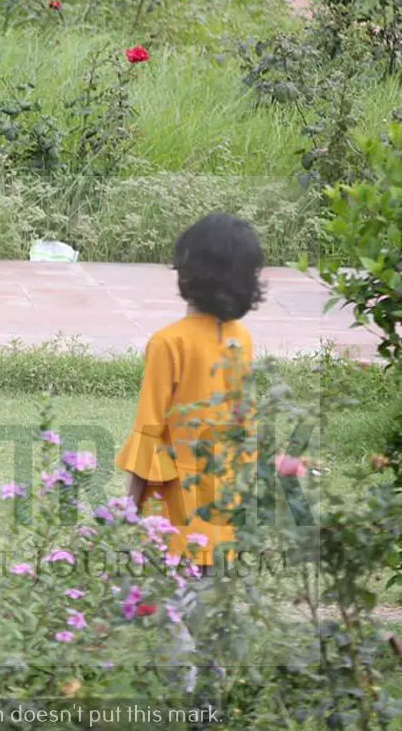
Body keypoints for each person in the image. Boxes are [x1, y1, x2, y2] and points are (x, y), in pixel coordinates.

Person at [115, 214, 265, 568]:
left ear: (187, 272)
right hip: (223, 511)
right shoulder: (241, 339)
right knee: (209, 614)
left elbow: (149, 430)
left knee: (169, 613)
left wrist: (129, 510)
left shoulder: (168, 343)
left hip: (171, 514)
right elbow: (245, 428)